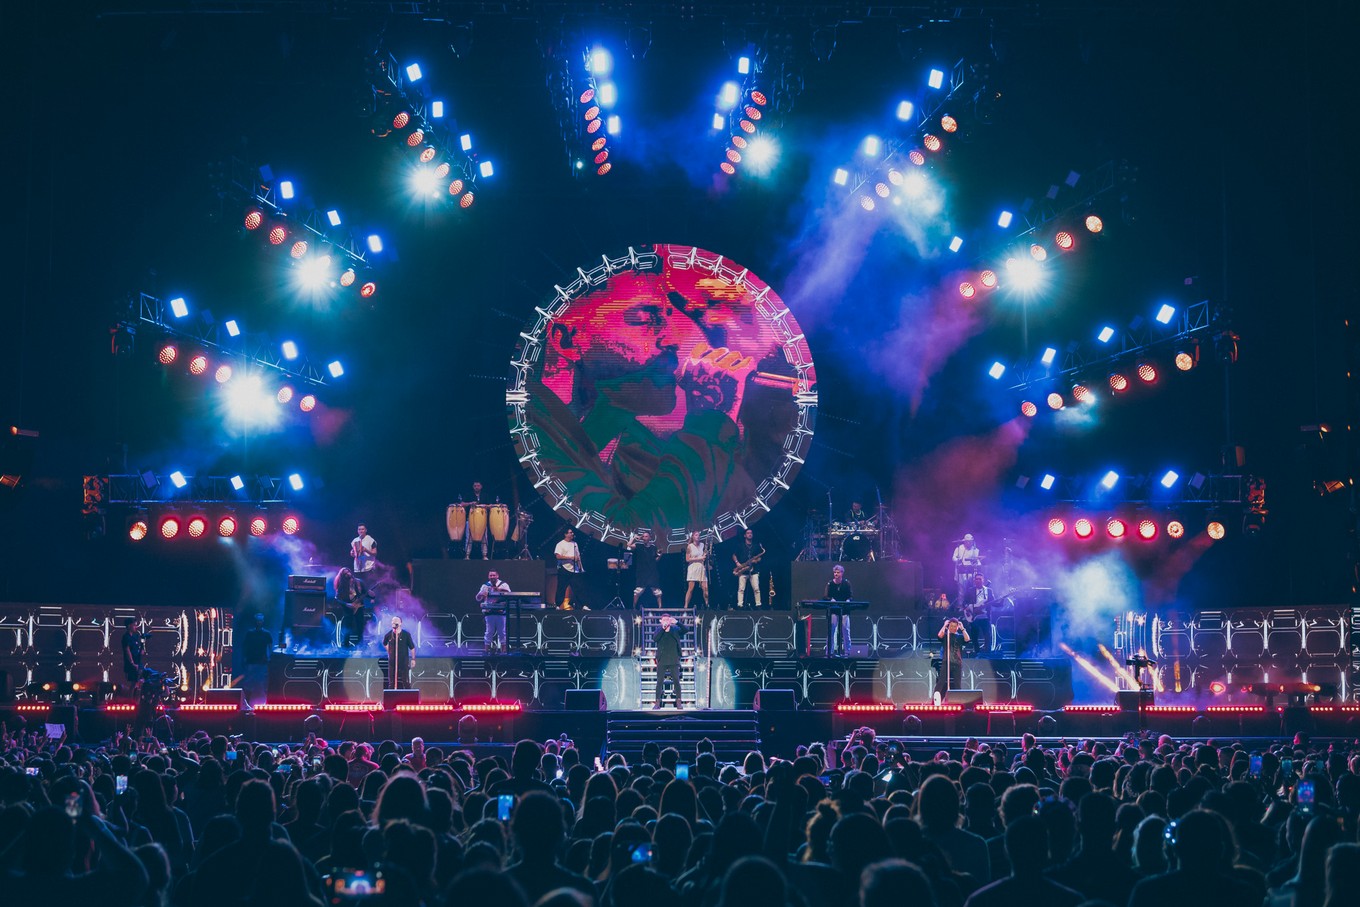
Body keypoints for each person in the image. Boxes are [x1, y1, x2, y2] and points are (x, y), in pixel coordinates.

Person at [935, 616, 970, 705]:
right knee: (941, 682)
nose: (953, 628)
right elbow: (939, 635)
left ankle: (957, 702)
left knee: (957, 684)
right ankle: (935, 702)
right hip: (946, 663)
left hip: (957, 663)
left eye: (955, 626)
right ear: (949, 626)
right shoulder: (946, 636)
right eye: (951, 626)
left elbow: (967, 639)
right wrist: (944, 625)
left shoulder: (960, 637)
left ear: (957, 627)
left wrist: (962, 628)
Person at [239, 613, 272, 708]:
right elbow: (245, 647)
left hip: (262, 663)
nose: (259, 622)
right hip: (251, 661)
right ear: (255, 621)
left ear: (263, 621)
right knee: (249, 684)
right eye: (258, 620)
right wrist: (243, 659)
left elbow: (270, 648)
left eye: (261, 620)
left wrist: (270, 660)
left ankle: (265, 704)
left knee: (263, 684)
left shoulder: (266, 634)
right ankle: (246, 703)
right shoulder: (250, 633)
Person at [477, 570, 512, 654]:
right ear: (488, 576)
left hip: (501, 612)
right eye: (490, 575)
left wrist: (499, 589)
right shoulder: (485, 586)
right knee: (489, 632)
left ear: (497, 576)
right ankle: (486, 650)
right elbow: (478, 598)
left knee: (502, 632)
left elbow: (510, 595)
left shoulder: (503, 584)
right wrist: (481, 594)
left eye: (494, 575)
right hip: (489, 612)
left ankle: (504, 651)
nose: (492, 577)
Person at [653, 614, 683, 708]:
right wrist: (663, 628)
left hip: (674, 659)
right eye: (664, 620)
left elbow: (686, 630)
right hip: (662, 660)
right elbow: (655, 639)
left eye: (667, 619)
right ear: (661, 621)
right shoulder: (658, 630)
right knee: (659, 682)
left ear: (670, 621)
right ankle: (657, 702)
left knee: (676, 681)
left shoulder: (675, 630)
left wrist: (677, 622)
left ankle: (678, 701)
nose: (666, 621)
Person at [333, 567, 368, 648]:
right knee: (348, 627)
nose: (347, 574)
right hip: (348, 608)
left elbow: (365, 593)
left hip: (359, 607)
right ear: (342, 576)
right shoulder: (342, 584)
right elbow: (337, 598)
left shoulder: (358, 582)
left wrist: (372, 596)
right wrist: (346, 604)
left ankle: (360, 644)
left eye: (348, 572)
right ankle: (346, 644)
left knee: (360, 625)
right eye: (345, 573)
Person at [731, 528, 765, 609]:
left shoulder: (756, 546)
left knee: (756, 588)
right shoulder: (740, 545)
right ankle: (740, 605)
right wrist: (737, 563)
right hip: (743, 570)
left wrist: (756, 560)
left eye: (751, 533)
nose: (750, 534)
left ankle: (758, 605)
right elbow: (734, 555)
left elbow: (760, 558)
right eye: (748, 533)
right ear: (744, 535)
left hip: (754, 570)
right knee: (741, 589)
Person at [630, 528, 663, 608]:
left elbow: (656, 560)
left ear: (649, 538)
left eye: (646, 536)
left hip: (652, 572)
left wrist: (660, 555)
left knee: (657, 591)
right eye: (643, 536)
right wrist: (634, 538)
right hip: (642, 572)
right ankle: (633, 607)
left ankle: (660, 607)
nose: (644, 538)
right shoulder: (639, 546)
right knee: (638, 591)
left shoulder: (653, 548)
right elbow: (629, 545)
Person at [826, 563, 853, 657]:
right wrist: (831, 599)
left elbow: (850, 595)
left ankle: (848, 651)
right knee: (831, 630)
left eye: (838, 572)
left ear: (842, 573)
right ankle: (830, 651)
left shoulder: (846, 583)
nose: (836, 574)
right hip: (834, 610)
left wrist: (848, 600)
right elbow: (826, 596)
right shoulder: (830, 584)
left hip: (844, 610)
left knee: (846, 630)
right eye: (835, 572)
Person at [964, 572, 994, 655]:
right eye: (976, 579)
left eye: (979, 579)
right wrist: (967, 608)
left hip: (985, 616)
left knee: (987, 635)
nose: (978, 581)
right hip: (974, 617)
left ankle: (987, 654)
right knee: (974, 636)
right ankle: (977, 652)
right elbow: (964, 602)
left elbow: (994, 602)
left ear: (983, 580)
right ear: (974, 581)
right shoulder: (970, 590)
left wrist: (1002, 600)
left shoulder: (988, 591)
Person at [382, 616, 415, 689]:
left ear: (400, 623)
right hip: (392, 662)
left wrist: (413, 659)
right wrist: (389, 651)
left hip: (403, 661)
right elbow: (384, 643)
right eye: (393, 621)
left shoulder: (406, 635)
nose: (394, 622)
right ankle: (391, 698)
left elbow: (412, 647)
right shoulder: (388, 635)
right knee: (391, 682)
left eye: (396, 621)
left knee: (406, 681)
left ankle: (408, 698)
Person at [555, 528, 583, 609]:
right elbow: (558, 556)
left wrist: (580, 566)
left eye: (572, 532)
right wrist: (570, 558)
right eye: (570, 533)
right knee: (561, 587)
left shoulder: (575, 544)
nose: (572, 534)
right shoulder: (560, 544)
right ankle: (558, 605)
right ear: (565, 534)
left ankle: (580, 605)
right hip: (564, 569)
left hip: (574, 569)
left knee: (577, 587)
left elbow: (578, 556)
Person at [952, 533, 981, 605]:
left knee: (972, 589)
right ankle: (961, 606)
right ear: (964, 541)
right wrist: (958, 560)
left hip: (971, 572)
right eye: (967, 541)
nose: (969, 543)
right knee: (962, 591)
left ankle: (973, 605)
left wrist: (977, 564)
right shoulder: (959, 548)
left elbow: (977, 561)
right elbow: (953, 558)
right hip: (961, 572)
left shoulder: (975, 550)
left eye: (970, 541)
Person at [684, 530, 709, 609]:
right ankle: (686, 606)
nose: (698, 536)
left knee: (705, 588)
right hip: (693, 568)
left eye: (699, 535)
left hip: (701, 567)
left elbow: (704, 555)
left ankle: (707, 605)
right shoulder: (689, 546)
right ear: (693, 537)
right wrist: (699, 558)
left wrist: (705, 556)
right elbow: (687, 559)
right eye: (696, 535)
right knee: (691, 588)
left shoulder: (702, 545)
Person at [465, 481, 490, 559]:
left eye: (478, 485)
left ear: (481, 486)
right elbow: (462, 504)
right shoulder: (469, 494)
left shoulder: (485, 495)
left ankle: (484, 555)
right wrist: (470, 503)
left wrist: (485, 505)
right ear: (473, 487)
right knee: (468, 537)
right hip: (471, 519)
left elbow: (491, 505)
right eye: (475, 486)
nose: (476, 487)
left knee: (484, 537)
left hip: (482, 519)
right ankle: (467, 555)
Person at [121, 617, 147, 684]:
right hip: (132, 665)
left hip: (138, 662)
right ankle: (130, 694)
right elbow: (127, 650)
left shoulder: (135, 637)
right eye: (134, 625)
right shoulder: (126, 637)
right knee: (133, 683)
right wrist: (132, 663)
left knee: (138, 682)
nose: (136, 627)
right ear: (129, 626)